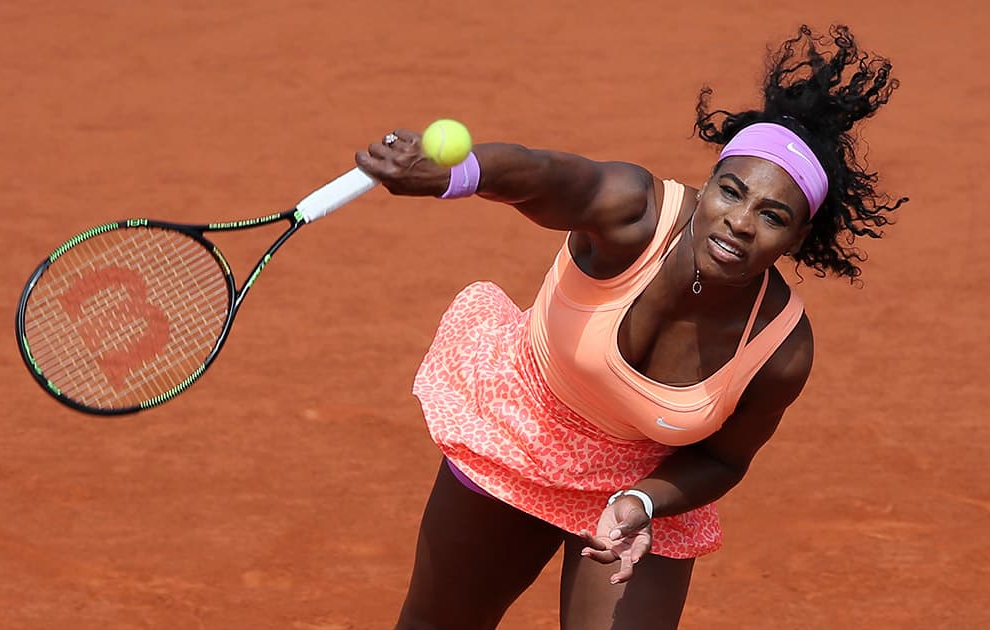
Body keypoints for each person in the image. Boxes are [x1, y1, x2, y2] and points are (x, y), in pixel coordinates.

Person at [355, 24, 907, 630]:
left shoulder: (780, 348)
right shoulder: (635, 212)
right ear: (708, 187)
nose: (740, 223)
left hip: (641, 481)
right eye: (731, 192)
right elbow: (544, 175)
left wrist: (642, 501)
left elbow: (724, 459)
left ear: (797, 238)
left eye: (771, 216)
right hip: (526, 425)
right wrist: (458, 175)